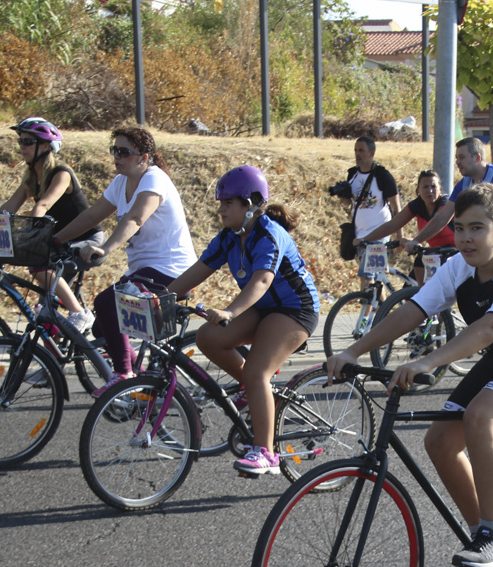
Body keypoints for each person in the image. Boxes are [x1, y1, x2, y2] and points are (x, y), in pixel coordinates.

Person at [327, 183, 493, 567]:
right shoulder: (460, 267)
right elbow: (413, 311)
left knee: (480, 416)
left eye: (476, 228)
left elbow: (490, 328)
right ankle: (481, 536)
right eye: (459, 227)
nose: (465, 238)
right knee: (440, 441)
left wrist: (427, 362)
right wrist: (353, 351)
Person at [167, 166, 320, 474]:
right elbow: (198, 270)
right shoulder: (229, 237)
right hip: (263, 308)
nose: (221, 209)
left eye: (227, 203)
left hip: (295, 310)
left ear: (249, 204)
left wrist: (230, 312)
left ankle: (266, 453)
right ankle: (254, 392)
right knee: (207, 337)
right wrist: (160, 297)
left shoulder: (269, 234)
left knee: (256, 371)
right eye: (220, 203)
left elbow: (262, 280)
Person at [52, 127, 197, 396]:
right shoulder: (120, 182)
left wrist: (105, 248)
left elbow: (135, 219)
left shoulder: (154, 179)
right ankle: (141, 378)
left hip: (172, 271)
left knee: (107, 303)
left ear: (143, 157)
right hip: (146, 272)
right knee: (101, 327)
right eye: (114, 150)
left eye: (123, 152)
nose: (116, 156)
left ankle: (124, 375)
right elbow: (90, 217)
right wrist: (54, 240)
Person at [0, 117, 104, 332]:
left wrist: (27, 239)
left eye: (28, 142)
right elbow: (8, 208)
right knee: (43, 312)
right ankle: (56, 355)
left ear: (46, 146)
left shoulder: (62, 174)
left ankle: (80, 313)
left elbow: (44, 205)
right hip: (58, 240)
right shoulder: (31, 178)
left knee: (38, 267)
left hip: (85, 238)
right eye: (21, 141)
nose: (22, 147)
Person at [402, 137, 493, 252]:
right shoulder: (464, 183)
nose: (457, 162)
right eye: (456, 158)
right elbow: (443, 217)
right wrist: (417, 240)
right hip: (492, 244)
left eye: (461, 157)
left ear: (477, 157)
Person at [354, 169, 456, 283]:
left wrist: (415, 240)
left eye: (433, 186)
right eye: (425, 187)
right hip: (434, 255)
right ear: (418, 190)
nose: (430, 190)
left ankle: (426, 299)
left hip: (453, 254)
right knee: (409, 292)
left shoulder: (446, 203)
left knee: (420, 264)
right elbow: (392, 225)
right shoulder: (417, 204)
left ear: (440, 189)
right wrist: (365, 239)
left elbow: (438, 221)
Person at [335, 136, 401, 285]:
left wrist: (399, 237)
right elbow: (347, 203)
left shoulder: (382, 175)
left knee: (367, 278)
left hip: (380, 232)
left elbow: (397, 207)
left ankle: (366, 309)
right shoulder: (353, 174)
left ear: (371, 153)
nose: (357, 154)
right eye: (356, 150)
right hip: (360, 235)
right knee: (375, 279)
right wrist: (342, 194)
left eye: (361, 150)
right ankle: (383, 307)